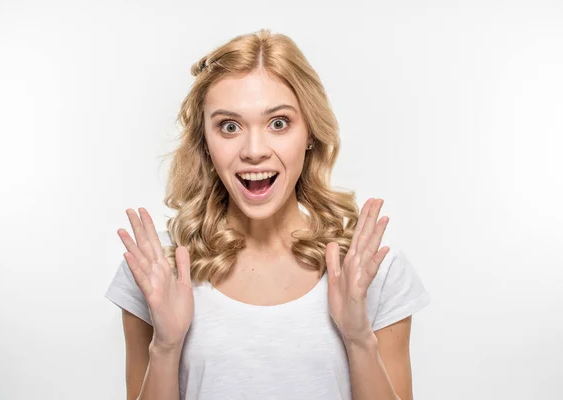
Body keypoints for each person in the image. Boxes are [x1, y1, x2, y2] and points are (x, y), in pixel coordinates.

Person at [105, 28, 431, 400]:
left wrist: (358, 339)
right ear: (205, 144)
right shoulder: (157, 268)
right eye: (229, 126)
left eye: (278, 123)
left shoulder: (373, 267)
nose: (254, 150)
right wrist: (166, 346)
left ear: (310, 132)